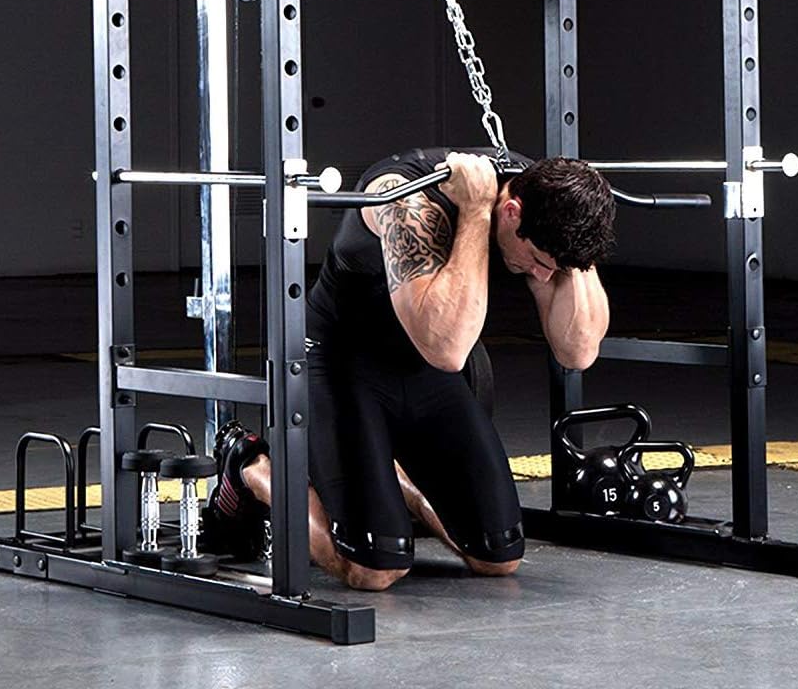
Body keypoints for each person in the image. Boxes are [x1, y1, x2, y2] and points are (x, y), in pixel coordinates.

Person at [209, 147, 615, 590]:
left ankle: (392, 479)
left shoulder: (545, 204)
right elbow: (446, 349)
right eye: (538, 260)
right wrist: (476, 212)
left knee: (497, 555)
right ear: (511, 211)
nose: (541, 275)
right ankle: (250, 465)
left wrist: (575, 256)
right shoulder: (407, 199)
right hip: (342, 363)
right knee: (375, 569)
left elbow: (578, 352)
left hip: (421, 369)